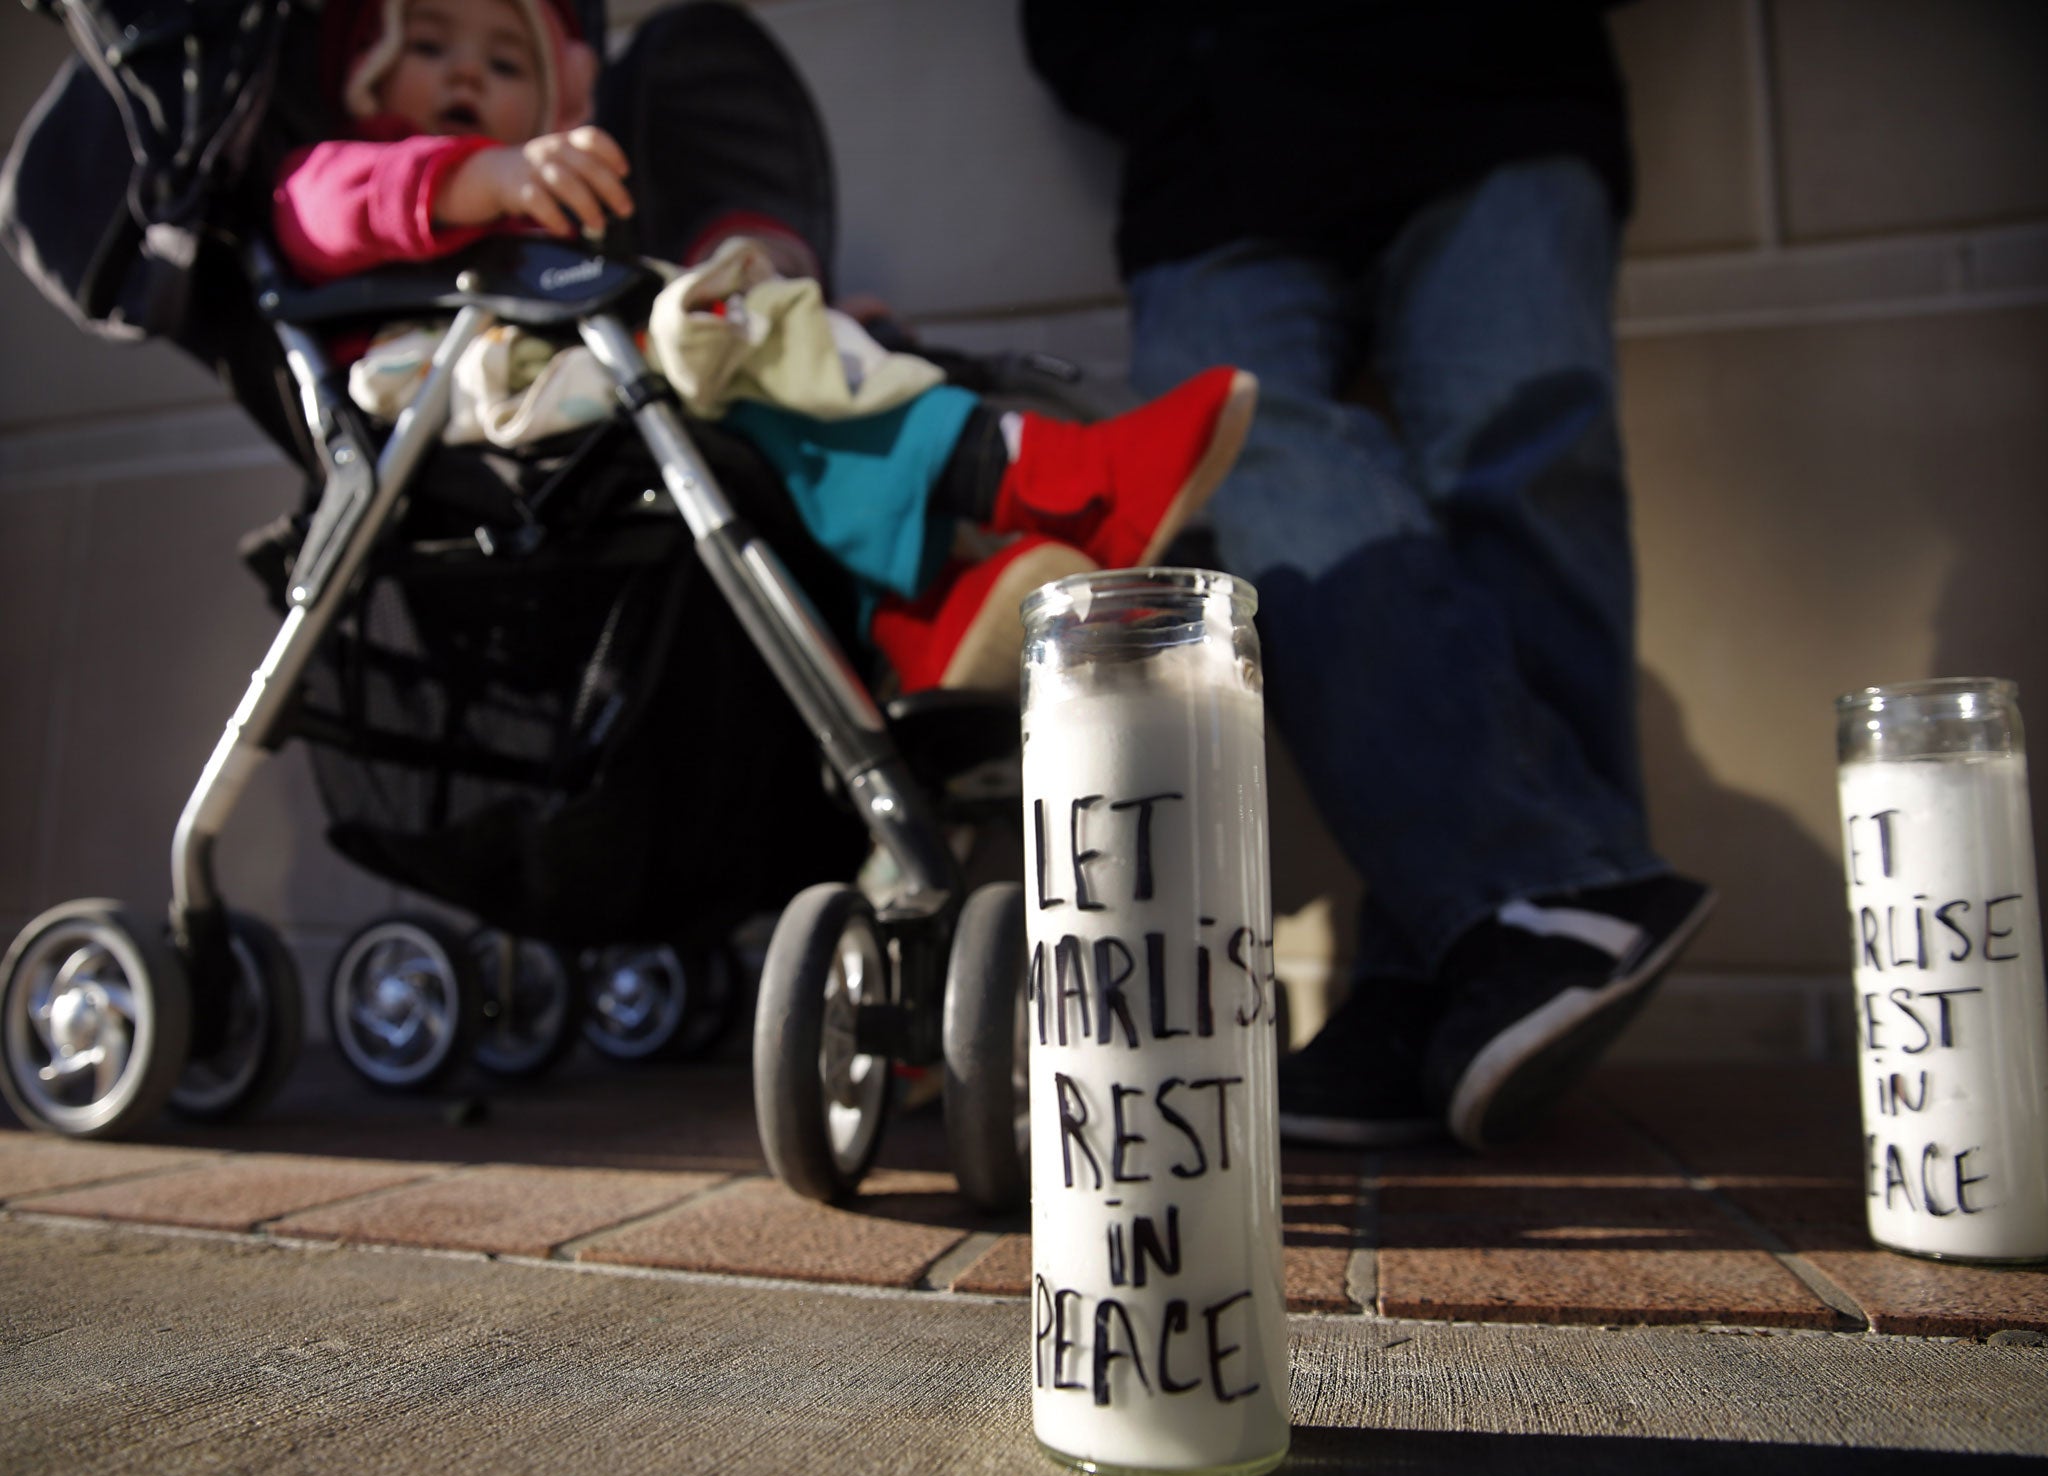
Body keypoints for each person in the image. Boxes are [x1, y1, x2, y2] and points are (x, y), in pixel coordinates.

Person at [1023, 0, 1714, 1152]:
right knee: (1232, 460)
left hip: (1490, 78)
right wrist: (1181, 64)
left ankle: (1467, 952)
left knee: (1521, 476)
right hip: (1215, 146)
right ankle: (1533, 902)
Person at [272, 0, 1259, 692]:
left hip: (555, 385)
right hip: (449, 385)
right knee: (732, 333)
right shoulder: (354, 175)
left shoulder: (544, 235)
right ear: (364, 72)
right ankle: (1054, 478)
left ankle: (923, 620)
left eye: (502, 63)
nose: (462, 73)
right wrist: (484, 173)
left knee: (779, 391)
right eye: (429, 43)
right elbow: (317, 209)